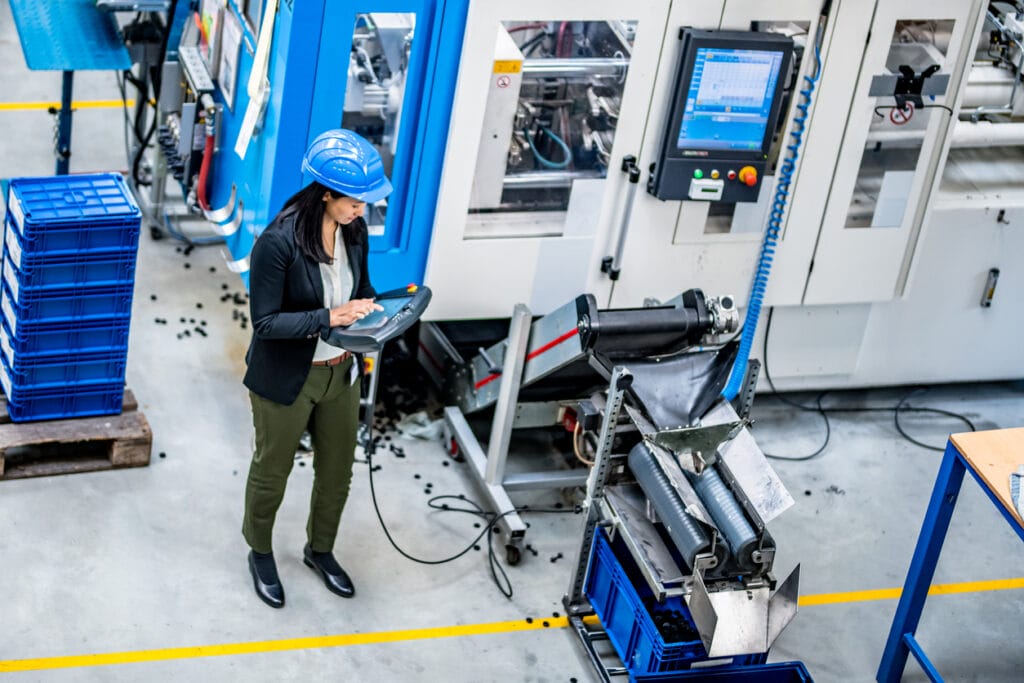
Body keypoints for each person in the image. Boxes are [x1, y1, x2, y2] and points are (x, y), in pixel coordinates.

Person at [241, 129, 390, 608]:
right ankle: (259, 550)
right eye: (354, 201)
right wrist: (329, 318)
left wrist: (374, 313)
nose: (361, 209)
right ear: (326, 193)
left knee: (338, 471)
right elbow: (265, 323)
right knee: (273, 470)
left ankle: (319, 549)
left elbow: (362, 288)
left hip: (340, 374)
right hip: (288, 377)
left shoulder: (355, 230)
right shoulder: (277, 243)